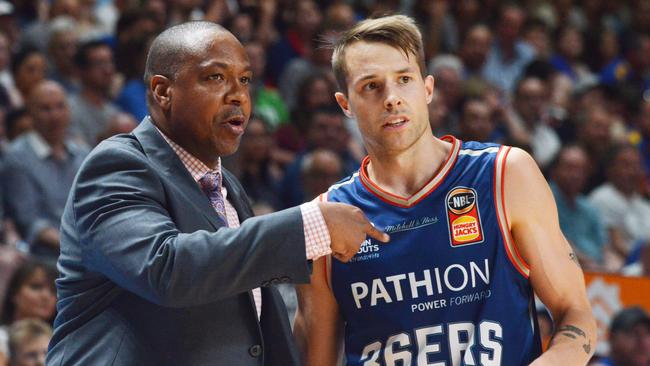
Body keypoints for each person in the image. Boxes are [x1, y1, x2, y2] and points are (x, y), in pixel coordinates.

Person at [46, 21, 388, 366]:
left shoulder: (226, 187)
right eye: (215, 78)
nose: (238, 94)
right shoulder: (118, 165)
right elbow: (165, 269)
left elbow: (252, 330)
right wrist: (307, 225)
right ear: (163, 91)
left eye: (244, 80)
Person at [295, 15, 596, 366]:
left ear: (427, 88)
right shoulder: (325, 218)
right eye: (371, 86)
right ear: (345, 103)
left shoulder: (504, 174)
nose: (391, 98)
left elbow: (577, 317)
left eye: (404, 79)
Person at [2, 80, 87, 261]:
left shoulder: (81, 153)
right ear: (30, 115)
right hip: (47, 258)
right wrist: (79, 249)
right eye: (45, 109)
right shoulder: (17, 158)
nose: (55, 115)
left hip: (88, 250)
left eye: (60, 106)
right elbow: (30, 224)